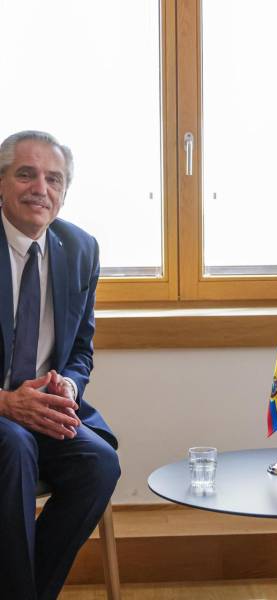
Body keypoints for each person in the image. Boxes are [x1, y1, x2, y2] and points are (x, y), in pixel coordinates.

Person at [0, 130, 120, 600]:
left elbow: (81, 349)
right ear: (1, 183)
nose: (40, 189)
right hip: (2, 413)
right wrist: (7, 403)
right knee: (14, 448)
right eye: (26, 175)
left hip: (47, 409)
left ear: (65, 192)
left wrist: (69, 385)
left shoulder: (81, 248)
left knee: (99, 464)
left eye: (54, 179)